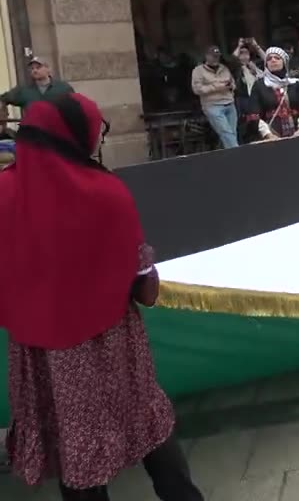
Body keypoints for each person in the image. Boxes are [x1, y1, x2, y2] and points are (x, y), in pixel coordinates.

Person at [0, 94, 205, 500]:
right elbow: (146, 291)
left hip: (42, 356)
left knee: (73, 443)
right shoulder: (105, 193)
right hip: (110, 345)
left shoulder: (3, 193)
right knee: (146, 423)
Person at [247, 47, 299, 141]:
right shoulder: (260, 85)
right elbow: (254, 114)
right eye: (269, 59)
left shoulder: (294, 84)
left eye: (277, 58)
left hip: (296, 135)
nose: (273, 60)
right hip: (271, 137)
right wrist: (269, 135)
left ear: (284, 62)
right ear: (266, 64)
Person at [0, 56, 75, 125]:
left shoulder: (63, 88)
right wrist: (3, 115)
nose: (34, 70)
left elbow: (75, 108)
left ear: (48, 69)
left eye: (38, 67)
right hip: (34, 132)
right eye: (32, 68)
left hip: (58, 130)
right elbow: (3, 99)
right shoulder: (24, 90)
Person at [190, 46, 239, 150]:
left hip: (229, 103)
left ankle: (226, 157)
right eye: (213, 56)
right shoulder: (198, 71)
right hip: (213, 106)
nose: (216, 59)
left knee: (232, 132)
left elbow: (233, 82)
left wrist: (231, 86)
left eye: (217, 57)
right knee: (226, 132)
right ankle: (237, 154)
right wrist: (217, 87)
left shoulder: (224, 68)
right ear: (207, 56)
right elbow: (197, 89)